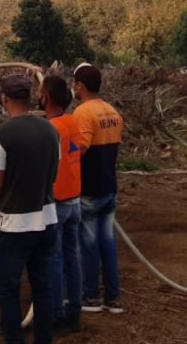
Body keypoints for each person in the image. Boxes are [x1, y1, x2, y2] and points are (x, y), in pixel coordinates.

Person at [0, 75, 59, 344]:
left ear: (4, 100)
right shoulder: (51, 130)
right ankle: (44, 338)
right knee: (43, 286)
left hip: (15, 226)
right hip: (48, 220)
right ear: (30, 99)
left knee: (8, 289)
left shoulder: (1, 134)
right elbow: (53, 174)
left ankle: (14, 339)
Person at [71, 63, 124, 314]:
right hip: (109, 187)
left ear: (80, 85)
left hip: (89, 190)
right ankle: (113, 298)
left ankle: (90, 297)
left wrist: (61, 149)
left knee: (89, 244)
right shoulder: (112, 111)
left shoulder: (83, 113)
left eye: (74, 83)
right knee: (108, 242)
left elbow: (80, 148)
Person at [41, 74, 83, 334]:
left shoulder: (51, 130)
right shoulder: (72, 121)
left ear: (45, 97)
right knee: (71, 258)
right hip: (74, 201)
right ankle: (74, 312)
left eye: (39, 90)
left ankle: (55, 317)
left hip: (56, 203)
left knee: (53, 261)